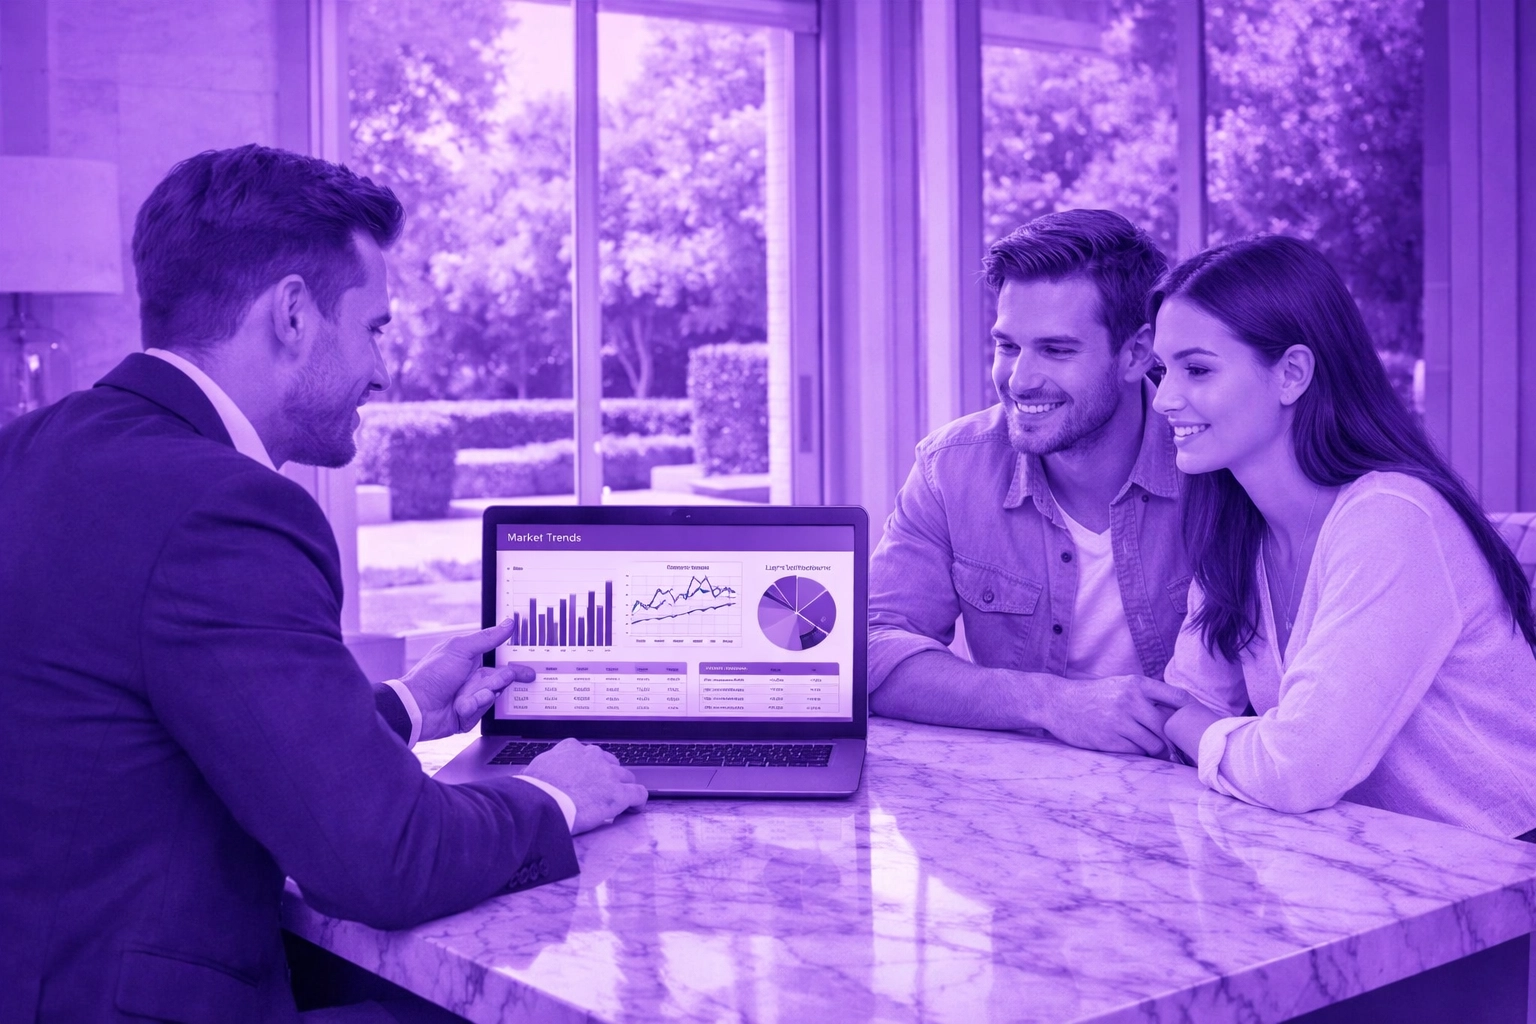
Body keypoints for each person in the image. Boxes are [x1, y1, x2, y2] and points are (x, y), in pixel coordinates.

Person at [0, 145, 648, 1023]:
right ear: (294, 314)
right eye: (375, 326)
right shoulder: (226, 509)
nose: (383, 371)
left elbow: (185, 730)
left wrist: (412, 706)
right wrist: (557, 793)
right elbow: (384, 859)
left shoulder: (37, 448)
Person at [1152, 234, 1536, 838]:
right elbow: (1190, 706)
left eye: (1196, 369)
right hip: (1382, 869)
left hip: (1505, 876)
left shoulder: (1392, 519)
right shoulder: (1237, 528)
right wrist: (1192, 725)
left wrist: (1195, 727)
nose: (1165, 399)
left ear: (1292, 374)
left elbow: (1294, 768)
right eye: (1161, 370)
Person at [868, 209, 1192, 757]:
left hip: (1194, 800)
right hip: (1022, 805)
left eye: (1057, 350)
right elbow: (875, 649)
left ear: (1137, 354)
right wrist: (1048, 702)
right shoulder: (950, 468)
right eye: (1008, 346)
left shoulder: (1213, 468)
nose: (1018, 380)